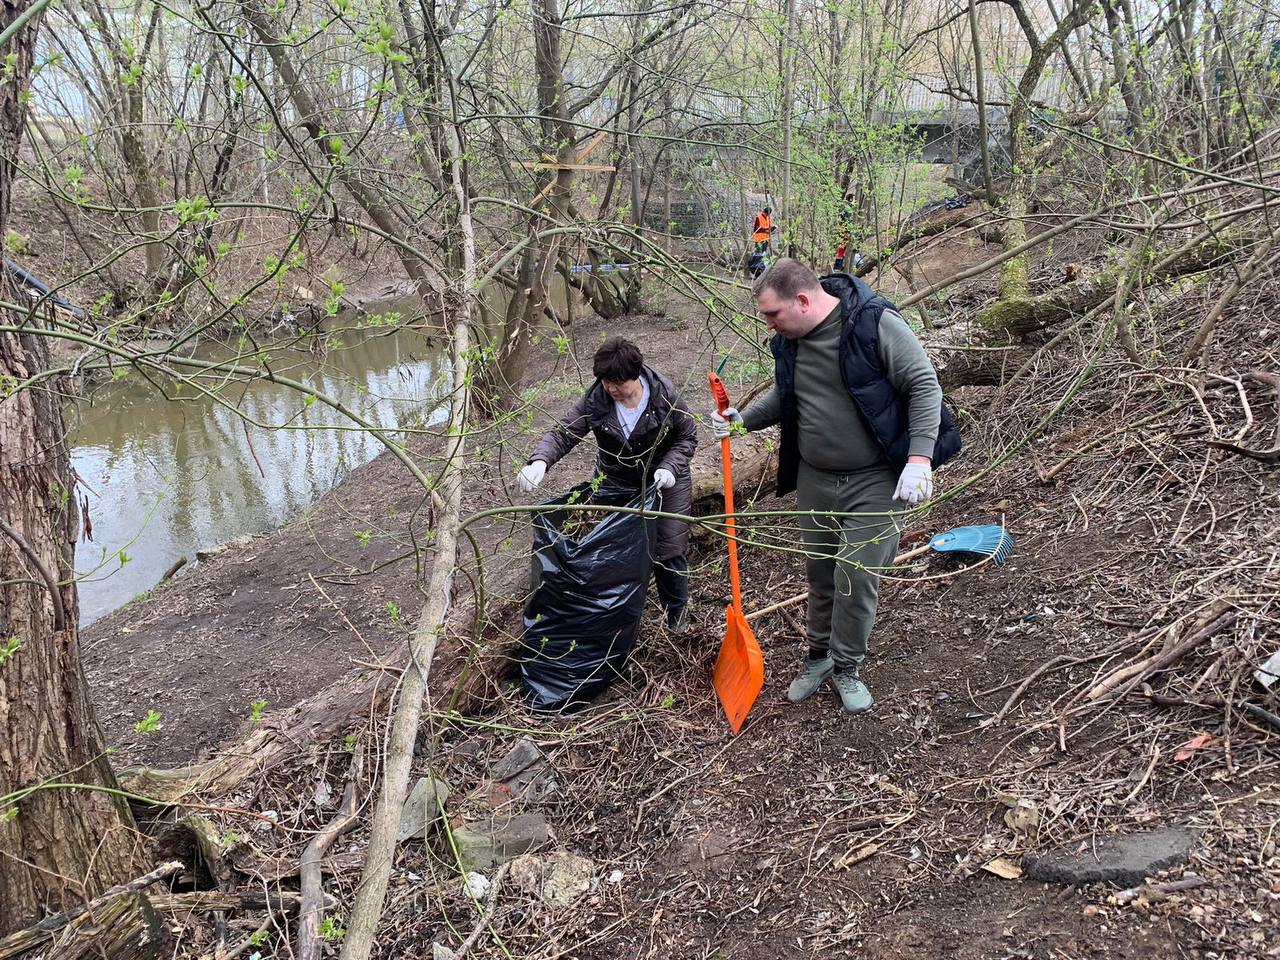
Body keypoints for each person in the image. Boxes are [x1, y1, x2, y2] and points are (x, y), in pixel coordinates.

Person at [711, 259, 960, 714]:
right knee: (822, 573)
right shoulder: (790, 341)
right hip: (816, 477)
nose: (768, 324)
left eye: (772, 315)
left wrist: (920, 458)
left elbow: (924, 385)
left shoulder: (872, 322)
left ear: (803, 301)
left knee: (856, 574)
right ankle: (818, 657)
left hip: (876, 476)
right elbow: (790, 395)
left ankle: (847, 666)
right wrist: (741, 421)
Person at [518, 337, 698, 633]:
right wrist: (540, 461)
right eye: (605, 381)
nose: (611, 388)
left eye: (617, 382)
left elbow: (687, 436)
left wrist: (669, 468)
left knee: (669, 550)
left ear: (635, 375)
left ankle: (677, 616)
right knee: (613, 550)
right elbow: (564, 433)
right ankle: (615, 622)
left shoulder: (664, 396)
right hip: (616, 481)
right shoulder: (596, 400)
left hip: (666, 482)